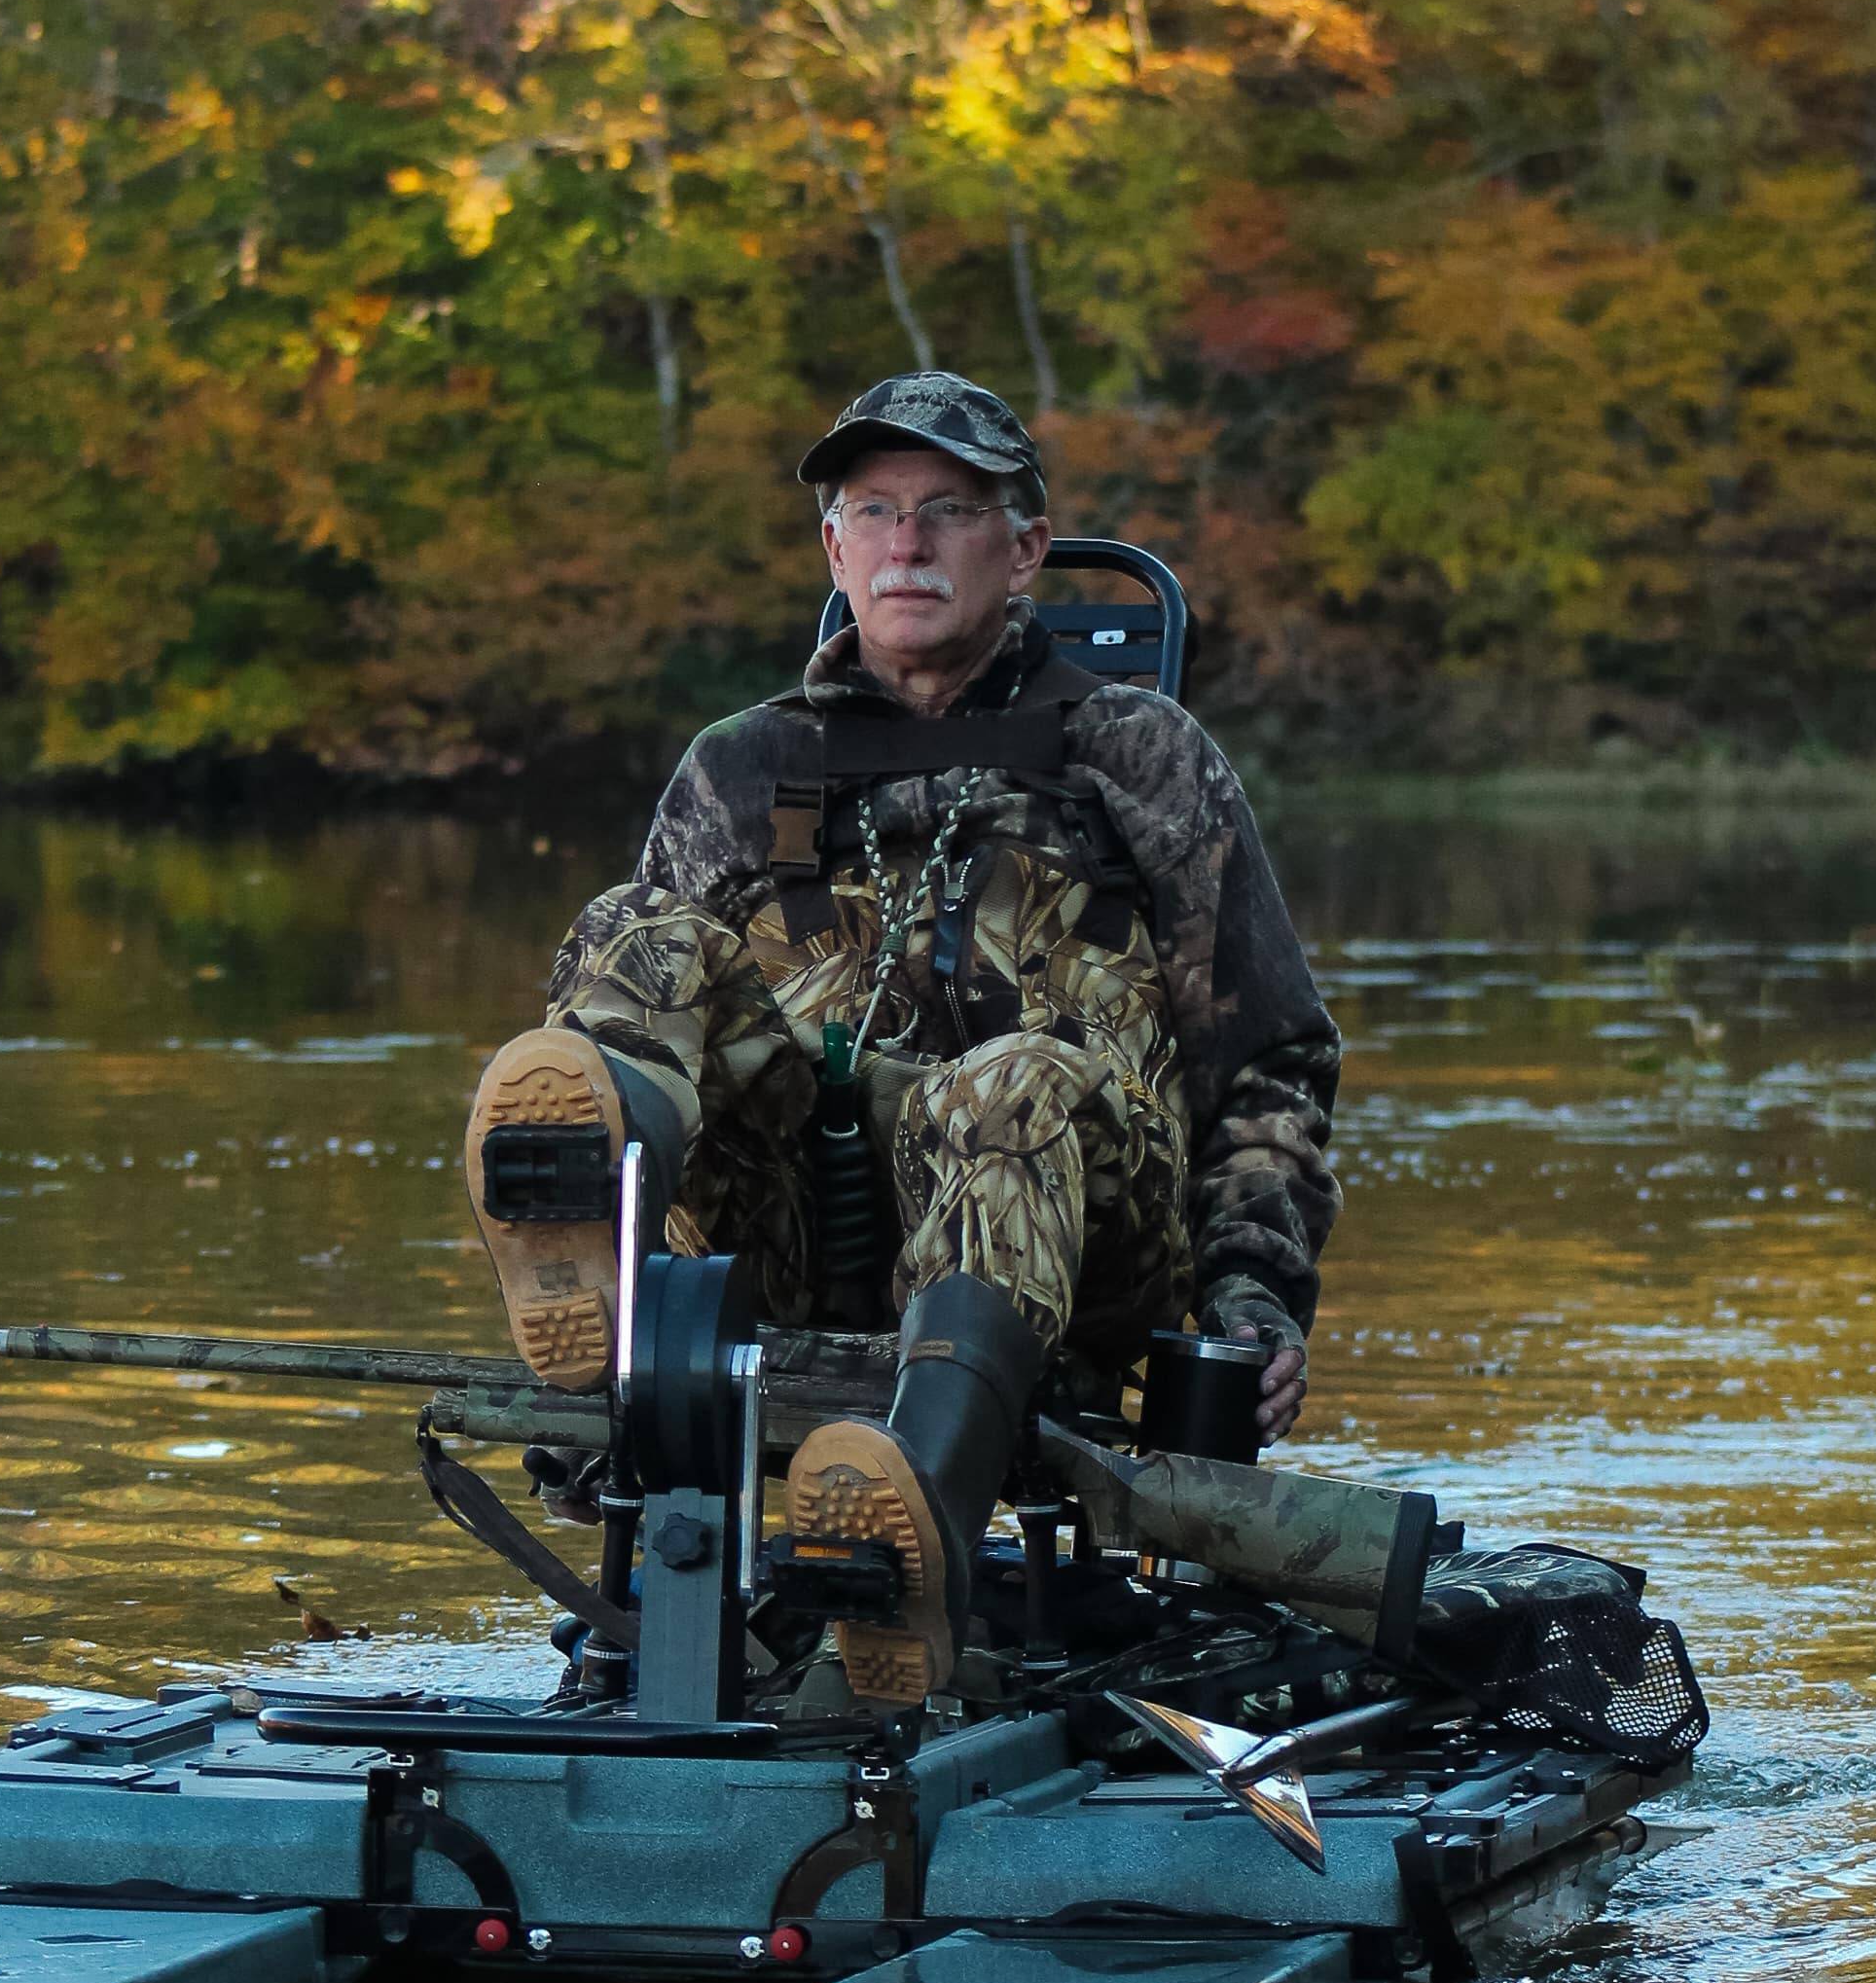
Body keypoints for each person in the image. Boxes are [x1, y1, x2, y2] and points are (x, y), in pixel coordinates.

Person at [463, 371, 1340, 1704]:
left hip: (1075, 1247)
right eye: (872, 512)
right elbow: (673, 997)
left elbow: (1270, 1061)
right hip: (807, 1229)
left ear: (1026, 548)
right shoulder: (742, 766)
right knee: (638, 935)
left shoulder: (1140, 754)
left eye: (946, 511)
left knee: (1006, 1086)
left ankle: (906, 1534)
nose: (907, 544)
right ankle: (594, 1279)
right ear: (834, 548)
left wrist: (1254, 1296)